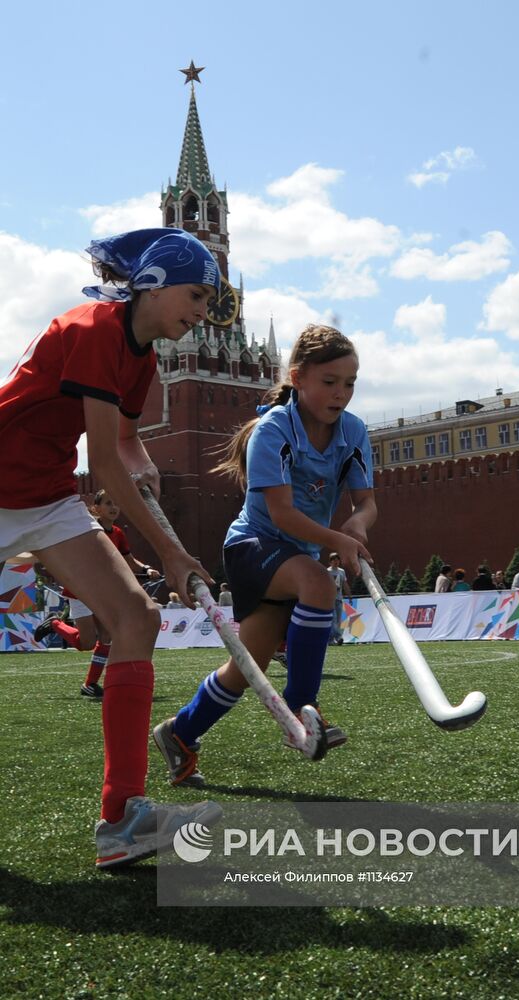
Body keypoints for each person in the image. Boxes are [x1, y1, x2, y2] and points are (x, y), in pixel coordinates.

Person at [0, 227, 222, 868]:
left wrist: (145, 462)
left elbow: (125, 447)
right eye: (197, 296)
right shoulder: (96, 328)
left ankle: (122, 818)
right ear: (153, 283)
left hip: (43, 496)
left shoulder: (142, 354)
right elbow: (104, 465)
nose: (203, 313)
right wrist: (173, 555)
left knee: (135, 619)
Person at [152, 323, 376, 786]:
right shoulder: (273, 429)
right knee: (317, 583)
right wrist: (336, 541)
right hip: (255, 544)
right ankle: (300, 709)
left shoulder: (353, 431)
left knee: (243, 670)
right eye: (329, 382)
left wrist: (356, 524)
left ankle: (179, 733)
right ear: (298, 378)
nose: (341, 394)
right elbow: (281, 513)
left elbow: (366, 502)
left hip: (297, 550)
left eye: (350, 383)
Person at [34, 489, 161, 699]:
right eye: (108, 503)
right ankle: (55, 623)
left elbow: (129, 561)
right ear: (96, 508)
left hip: (102, 589)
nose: (114, 508)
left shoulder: (118, 533)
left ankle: (90, 684)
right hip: (80, 590)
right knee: (86, 643)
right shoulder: (88, 532)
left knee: (106, 637)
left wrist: (146, 569)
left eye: (116, 503)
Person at [326, 552, 350, 644]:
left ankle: (331, 640)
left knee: (339, 619)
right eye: (334, 560)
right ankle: (338, 637)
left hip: (339, 598)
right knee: (333, 618)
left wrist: (349, 595)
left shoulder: (341, 571)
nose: (336, 562)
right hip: (330, 598)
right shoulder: (327, 571)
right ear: (330, 562)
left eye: (337, 560)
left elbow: (344, 584)